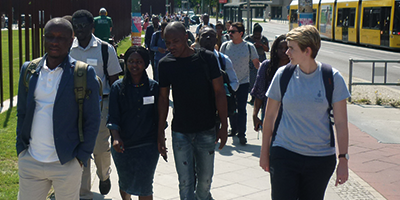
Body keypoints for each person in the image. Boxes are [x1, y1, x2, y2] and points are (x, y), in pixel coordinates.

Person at [260, 25, 350, 199]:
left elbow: (340, 123)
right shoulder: (283, 75)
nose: (287, 52)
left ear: (307, 51)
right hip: (284, 154)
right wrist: (265, 153)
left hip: (320, 159)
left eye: (291, 48)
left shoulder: (332, 78)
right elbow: (269, 116)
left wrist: (343, 160)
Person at [16, 18, 101, 200]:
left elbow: (93, 119)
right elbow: (22, 112)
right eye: (50, 37)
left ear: (72, 40)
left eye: (61, 37)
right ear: (44, 39)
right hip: (31, 160)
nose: (55, 42)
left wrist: (81, 158)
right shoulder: (29, 70)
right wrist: (21, 150)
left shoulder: (84, 73)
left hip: (67, 161)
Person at [158, 22, 228, 200]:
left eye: (176, 41)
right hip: (181, 132)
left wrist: (224, 125)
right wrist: (160, 131)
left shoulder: (207, 58)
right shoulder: (165, 64)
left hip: (206, 129)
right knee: (185, 182)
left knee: (204, 183)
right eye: (167, 43)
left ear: (186, 38)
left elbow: (220, 92)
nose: (171, 46)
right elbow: (164, 98)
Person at [70, 9, 123, 200]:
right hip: (74, 107)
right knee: (79, 150)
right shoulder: (69, 48)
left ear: (92, 27)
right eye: (76, 26)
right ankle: (83, 194)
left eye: (83, 25)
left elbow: (115, 82)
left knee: (100, 148)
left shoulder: (105, 49)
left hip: (101, 106)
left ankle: (104, 175)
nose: (79, 29)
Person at [107, 46, 159, 200]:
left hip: (148, 145)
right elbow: (113, 116)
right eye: (130, 61)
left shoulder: (153, 87)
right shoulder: (117, 87)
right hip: (123, 145)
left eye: (138, 62)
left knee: (145, 186)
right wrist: (116, 137)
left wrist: (160, 139)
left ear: (145, 64)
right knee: (125, 183)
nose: (134, 65)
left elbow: (159, 116)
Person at [220, 22, 259, 145]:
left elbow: (256, 63)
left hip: (243, 82)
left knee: (241, 108)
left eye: (233, 32)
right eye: (229, 31)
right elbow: (219, 63)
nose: (229, 34)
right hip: (229, 83)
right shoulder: (225, 46)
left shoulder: (249, 47)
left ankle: (242, 133)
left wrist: (265, 73)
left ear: (241, 33)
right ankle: (234, 128)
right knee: (231, 107)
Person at [251, 34, 289, 131]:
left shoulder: (297, 68)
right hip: (269, 113)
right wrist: (255, 114)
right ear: (275, 49)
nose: (284, 51)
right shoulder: (266, 66)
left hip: (290, 115)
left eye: (287, 48)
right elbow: (259, 93)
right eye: (280, 48)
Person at [199, 26, 238, 92]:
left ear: (216, 40)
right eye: (204, 35)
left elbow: (234, 82)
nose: (208, 38)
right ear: (198, 39)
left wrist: (224, 91)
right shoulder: (192, 59)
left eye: (211, 36)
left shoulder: (223, 60)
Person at [244, 23, 270, 104]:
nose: (257, 37)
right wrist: (253, 46)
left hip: (261, 59)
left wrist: (261, 45)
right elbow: (244, 48)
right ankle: (252, 97)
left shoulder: (264, 39)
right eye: (255, 35)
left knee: (261, 79)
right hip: (251, 61)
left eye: (258, 35)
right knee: (252, 80)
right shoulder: (248, 39)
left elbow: (267, 49)